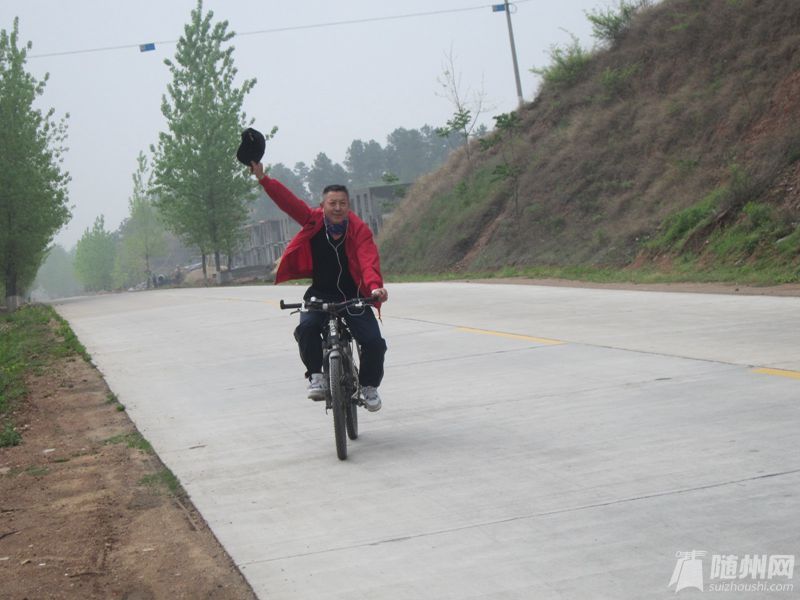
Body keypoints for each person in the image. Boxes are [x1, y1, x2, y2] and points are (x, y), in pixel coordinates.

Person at [250, 161, 388, 412]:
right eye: (332, 203)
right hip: (319, 294)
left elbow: (368, 261)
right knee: (306, 328)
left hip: (352, 296)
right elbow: (288, 202)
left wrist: (375, 288)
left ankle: (369, 386)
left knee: (374, 342)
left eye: (342, 203)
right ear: (322, 205)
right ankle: (316, 375)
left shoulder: (359, 230)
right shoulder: (313, 221)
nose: (337, 208)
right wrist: (263, 179)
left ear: (348, 206)